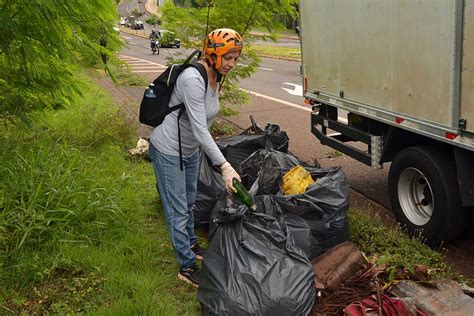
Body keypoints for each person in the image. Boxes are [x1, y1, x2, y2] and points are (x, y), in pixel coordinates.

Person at [148, 28, 243, 287]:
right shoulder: (193, 78)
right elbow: (200, 129)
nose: (232, 64)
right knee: (177, 208)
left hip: (188, 150)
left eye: (236, 58)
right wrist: (224, 166)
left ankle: (190, 244)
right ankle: (186, 266)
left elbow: (201, 128)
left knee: (189, 201)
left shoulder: (216, 75)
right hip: (168, 149)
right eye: (228, 58)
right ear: (212, 54)